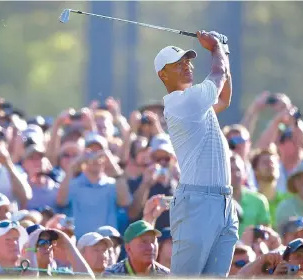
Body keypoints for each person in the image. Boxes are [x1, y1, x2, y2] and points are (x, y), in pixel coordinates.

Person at [156, 30, 237, 276]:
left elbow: (224, 98)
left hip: (224, 202)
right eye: (178, 64)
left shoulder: (196, 103)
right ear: (163, 74)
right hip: (197, 202)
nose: (187, 66)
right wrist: (215, 49)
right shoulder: (182, 103)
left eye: (188, 61)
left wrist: (223, 49)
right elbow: (218, 74)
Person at [56, 132, 132, 239]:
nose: (95, 157)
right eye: (90, 152)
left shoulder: (112, 184)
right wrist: (74, 166)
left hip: (107, 244)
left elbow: (125, 202)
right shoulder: (73, 183)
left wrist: (113, 166)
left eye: (99, 152)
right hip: (80, 245)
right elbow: (60, 201)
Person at [102, 220, 169, 276]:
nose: (151, 247)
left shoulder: (167, 275)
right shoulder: (110, 275)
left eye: (153, 241)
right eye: (144, 242)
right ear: (128, 248)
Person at [230, 152, 271, 235]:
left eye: (238, 170)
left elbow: (266, 235)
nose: (236, 174)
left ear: (244, 173)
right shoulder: (215, 201)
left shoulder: (259, 200)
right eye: (231, 170)